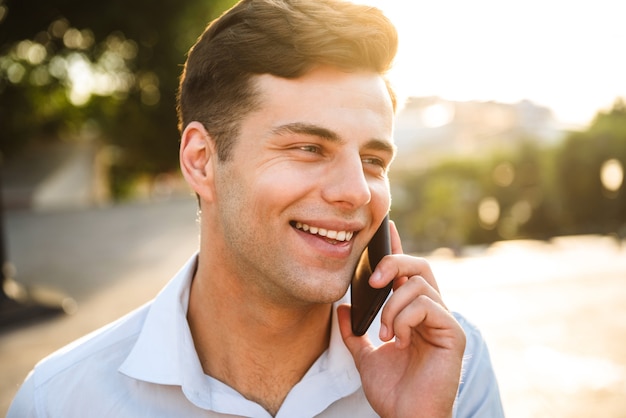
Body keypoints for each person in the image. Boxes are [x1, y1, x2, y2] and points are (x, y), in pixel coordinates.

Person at [8, 0, 504, 416]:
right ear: (201, 161)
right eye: (309, 148)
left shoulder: (451, 366)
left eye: (373, 160)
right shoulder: (60, 401)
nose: (357, 192)